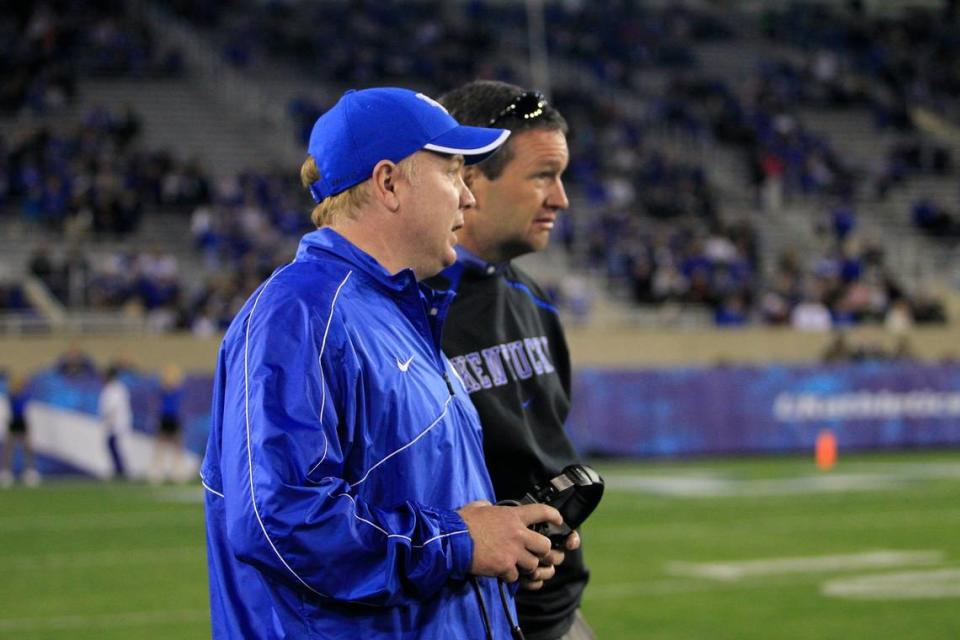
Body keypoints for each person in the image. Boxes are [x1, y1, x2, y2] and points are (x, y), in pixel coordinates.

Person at [201, 87, 570, 639]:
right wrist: (462, 542)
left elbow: (423, 513)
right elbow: (278, 522)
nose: (467, 200)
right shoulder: (300, 313)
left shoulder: (397, 312)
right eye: (452, 174)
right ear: (389, 183)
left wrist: (507, 543)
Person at [426, 80, 594, 640]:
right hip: (464, 619)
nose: (561, 198)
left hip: (556, 618)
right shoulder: (405, 314)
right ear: (470, 176)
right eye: (543, 175)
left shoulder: (532, 300)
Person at [0, 373, 41, 488]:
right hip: (13, 422)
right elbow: (10, 390)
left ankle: (30, 471)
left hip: (23, 422)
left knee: (28, 448)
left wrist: (26, 381)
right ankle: (6, 472)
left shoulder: (24, 395)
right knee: (9, 448)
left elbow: (31, 389)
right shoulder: (11, 395)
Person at [149, 364, 186, 484]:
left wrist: (174, 376)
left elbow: (177, 385)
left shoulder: (177, 390)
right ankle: (157, 473)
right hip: (164, 419)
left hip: (174, 419)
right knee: (160, 447)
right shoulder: (163, 390)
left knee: (177, 448)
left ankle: (178, 473)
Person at [99, 364, 132, 479]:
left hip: (116, 423)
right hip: (116, 422)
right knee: (113, 445)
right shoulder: (116, 388)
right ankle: (119, 469)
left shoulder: (114, 389)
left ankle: (120, 470)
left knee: (114, 445)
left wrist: (110, 421)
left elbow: (113, 407)